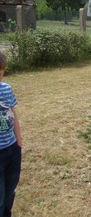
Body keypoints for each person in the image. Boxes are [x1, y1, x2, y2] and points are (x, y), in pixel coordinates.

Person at [0, 51, 23, 217]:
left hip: (12, 148)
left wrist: (19, 140)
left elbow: (13, 115)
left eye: (0, 73)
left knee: (10, 188)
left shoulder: (6, 89)